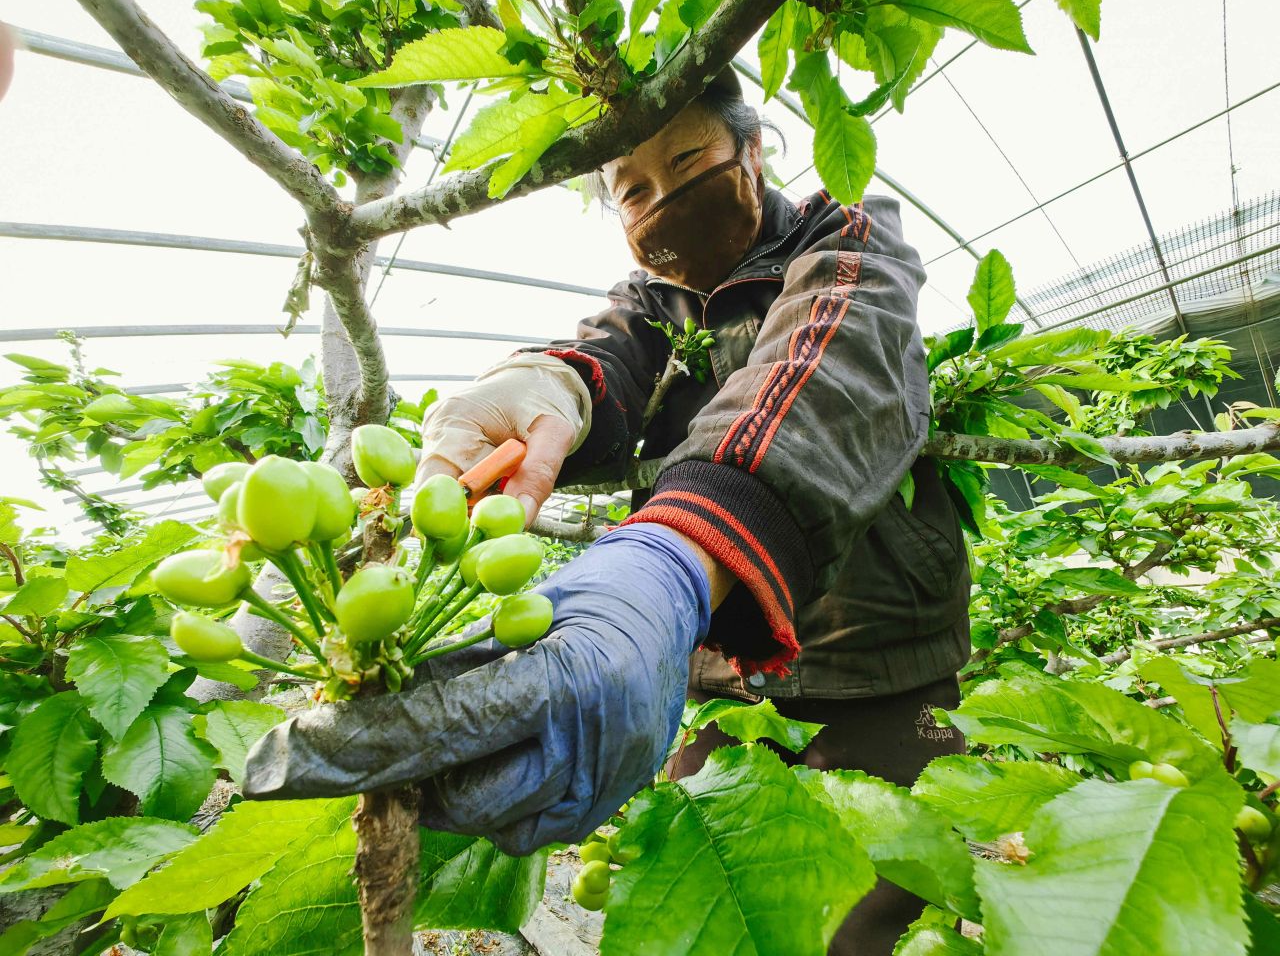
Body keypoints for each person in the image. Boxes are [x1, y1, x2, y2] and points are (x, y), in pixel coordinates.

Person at [244, 68, 971, 955]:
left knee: (863, 916)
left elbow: (831, 362)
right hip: (718, 675)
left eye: (689, 158)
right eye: (634, 189)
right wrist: (543, 382)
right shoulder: (651, 305)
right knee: (711, 896)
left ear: (753, 149)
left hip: (882, 661)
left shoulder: (845, 235)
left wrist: (675, 554)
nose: (665, 197)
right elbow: (604, 359)